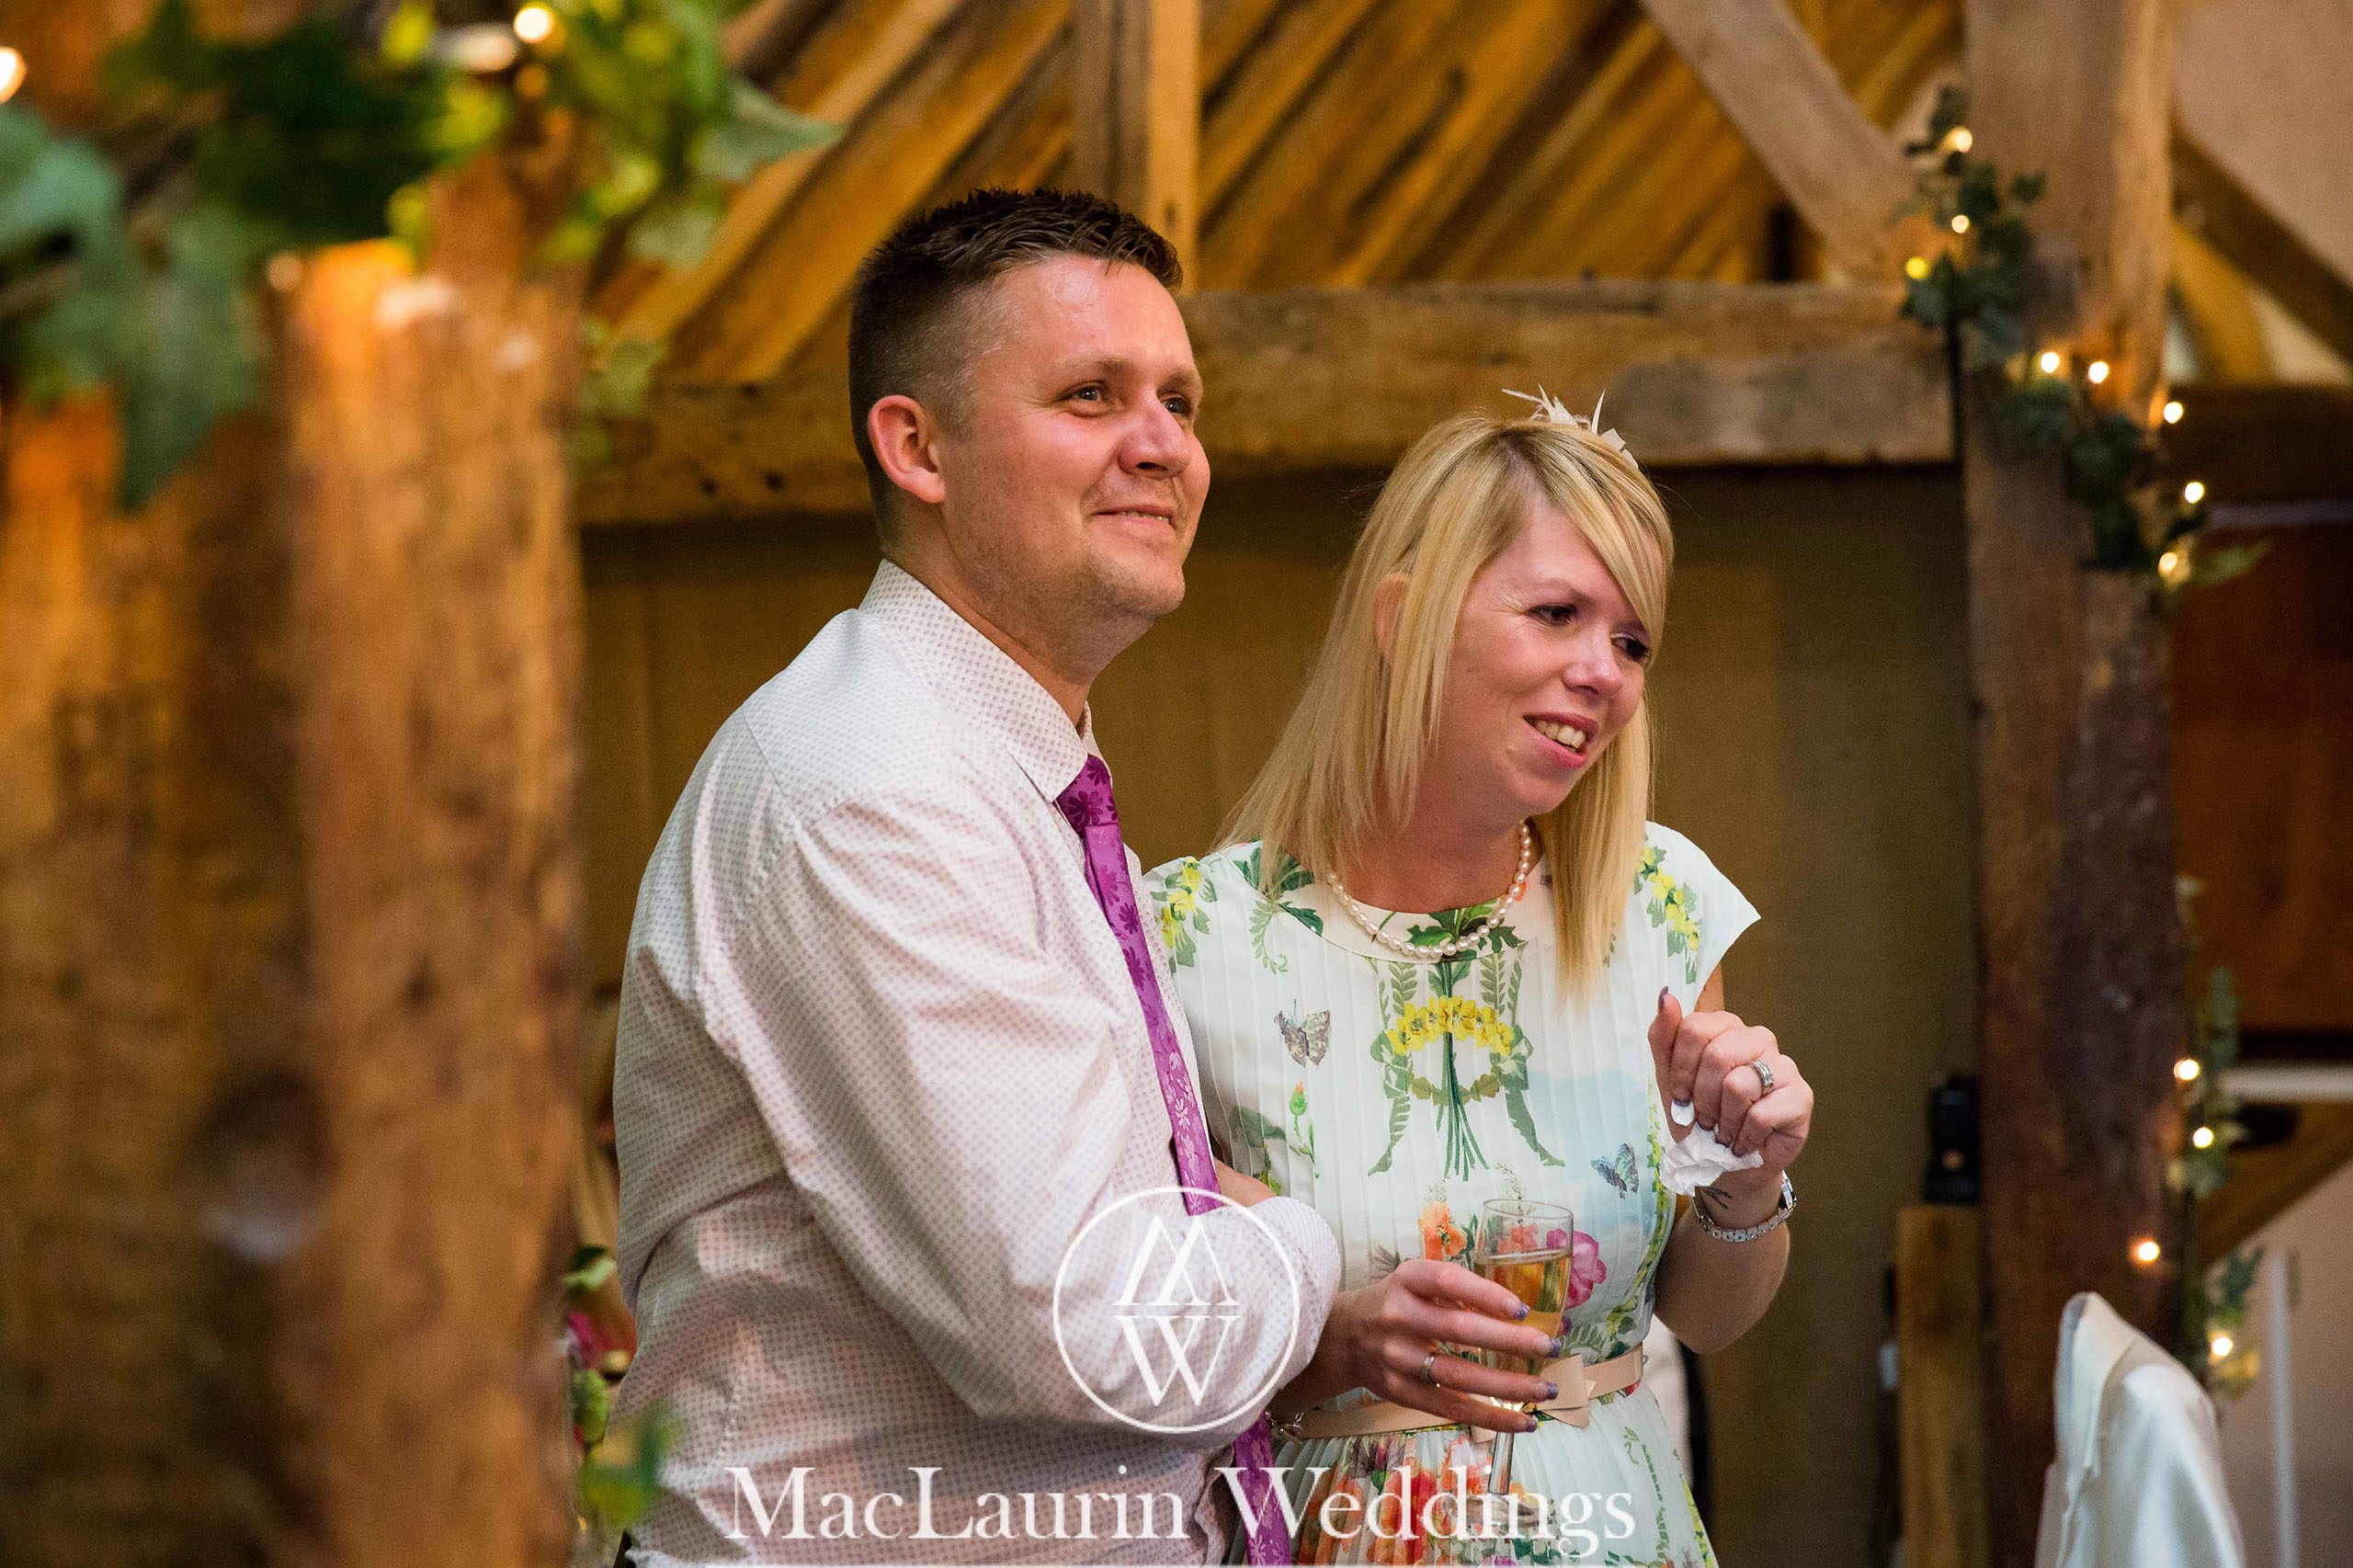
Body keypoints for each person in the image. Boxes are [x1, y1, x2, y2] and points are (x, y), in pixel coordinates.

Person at [608, 189, 1359, 1565]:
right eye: (1092, 394)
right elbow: (1085, 1324)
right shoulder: (870, 786)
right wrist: (1304, 1244)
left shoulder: (1009, 771)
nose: (1165, 448)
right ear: (919, 446)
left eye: (1182, 403)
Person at [1145, 399, 1815, 1565]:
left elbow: (1707, 1318)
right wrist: (1333, 1342)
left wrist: (1748, 1179)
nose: (1600, 670)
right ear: (1402, 617)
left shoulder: (1657, 904)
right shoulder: (1192, 938)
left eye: (1630, 640)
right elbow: (1135, 1329)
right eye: (1557, 612)